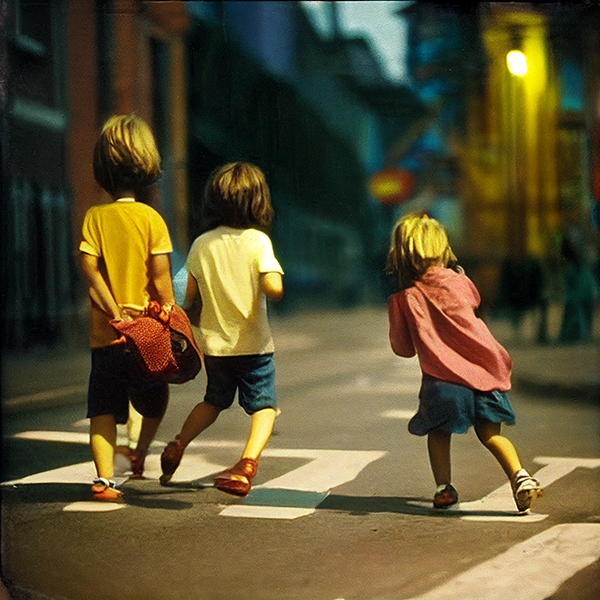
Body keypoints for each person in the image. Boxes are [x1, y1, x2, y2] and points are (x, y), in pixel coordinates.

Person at [386, 213, 543, 512]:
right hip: (486, 373)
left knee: (439, 431)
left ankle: (444, 488)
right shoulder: (462, 282)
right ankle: (519, 475)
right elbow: (474, 302)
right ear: (443, 250)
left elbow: (403, 349)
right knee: (491, 435)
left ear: (402, 257)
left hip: (443, 381)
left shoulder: (407, 298)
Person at [160, 162, 284, 497]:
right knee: (265, 406)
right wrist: (270, 284)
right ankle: (246, 463)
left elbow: (186, 296)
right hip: (254, 347)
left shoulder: (202, 244)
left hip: (214, 349)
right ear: (259, 202)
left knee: (213, 401)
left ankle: (178, 443)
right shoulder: (258, 242)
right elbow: (274, 286)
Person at [79, 114, 175, 501]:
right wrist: (168, 307)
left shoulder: (94, 218)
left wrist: (111, 310)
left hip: (106, 339)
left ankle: (104, 479)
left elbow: (90, 271)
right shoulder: (152, 219)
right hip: (145, 336)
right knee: (154, 396)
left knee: (102, 408)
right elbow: (161, 276)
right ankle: (138, 452)